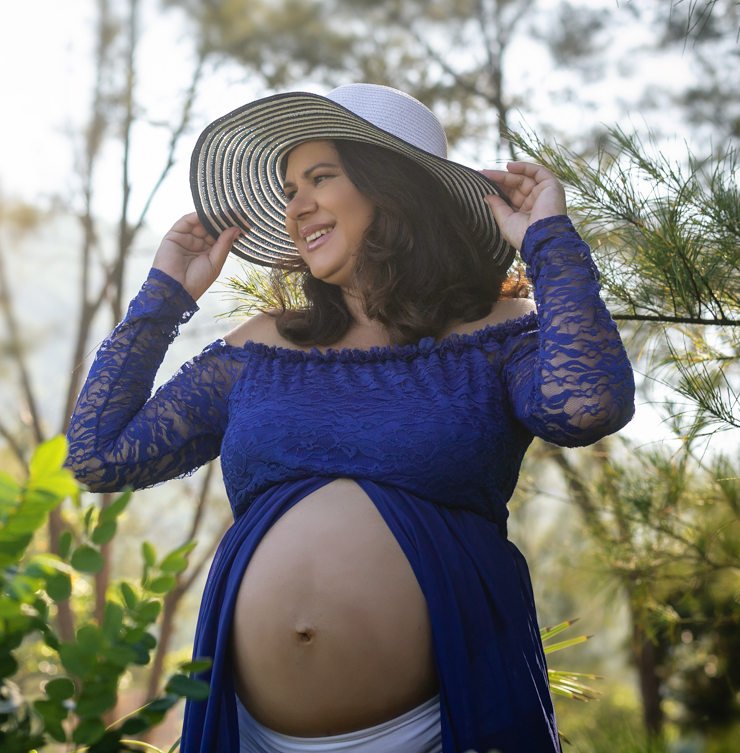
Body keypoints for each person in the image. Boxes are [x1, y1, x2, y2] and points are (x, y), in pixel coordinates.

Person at [66, 84, 635, 753]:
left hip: (442, 727)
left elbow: (587, 404)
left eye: (320, 178)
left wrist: (549, 242)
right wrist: (165, 295)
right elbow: (98, 455)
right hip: (253, 736)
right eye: (288, 190)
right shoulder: (263, 345)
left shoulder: (498, 334)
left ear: (390, 188)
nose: (296, 205)